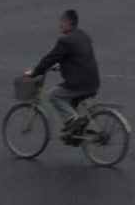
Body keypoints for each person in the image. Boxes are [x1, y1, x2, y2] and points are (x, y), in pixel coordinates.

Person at [27, 8, 102, 143]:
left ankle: (74, 121)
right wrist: (60, 66)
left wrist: (35, 72)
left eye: (61, 22)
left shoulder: (65, 41)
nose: (59, 25)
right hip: (93, 81)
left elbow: (50, 58)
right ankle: (75, 132)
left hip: (79, 83)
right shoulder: (83, 36)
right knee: (71, 101)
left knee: (53, 96)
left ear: (67, 23)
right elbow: (79, 58)